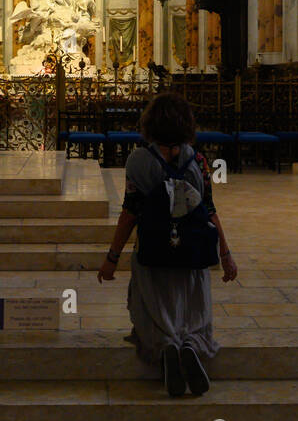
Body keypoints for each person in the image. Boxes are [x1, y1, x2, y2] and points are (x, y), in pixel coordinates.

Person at [97, 92, 238, 397]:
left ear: (149, 123)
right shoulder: (198, 161)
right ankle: (190, 343)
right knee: (192, 307)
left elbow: (129, 212)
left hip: (154, 249)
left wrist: (112, 257)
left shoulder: (138, 161)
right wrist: (225, 253)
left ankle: (166, 345)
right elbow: (210, 211)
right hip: (192, 251)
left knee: (151, 305)